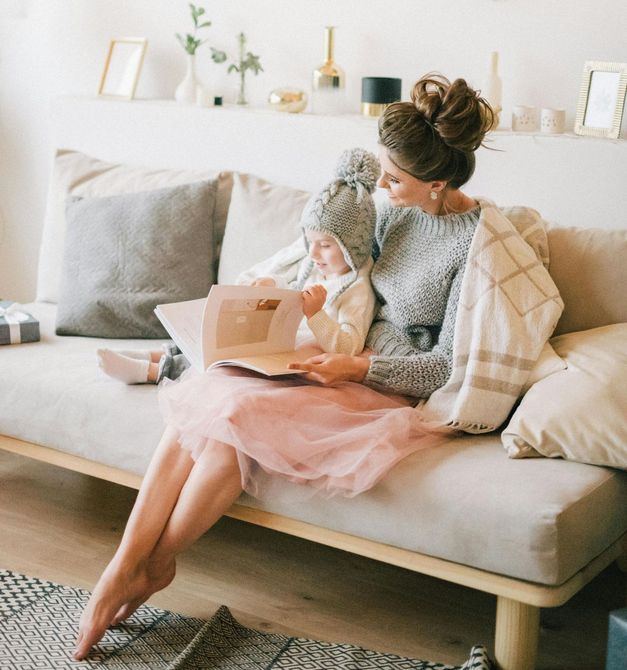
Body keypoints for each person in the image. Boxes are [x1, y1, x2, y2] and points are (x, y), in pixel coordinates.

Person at [74, 73, 497, 659]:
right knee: (214, 394)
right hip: (325, 352)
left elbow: (442, 365)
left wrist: (357, 367)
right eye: (381, 169)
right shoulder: (386, 205)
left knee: (238, 415)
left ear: (439, 183)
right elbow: (326, 260)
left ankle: (155, 563)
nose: (380, 185)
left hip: (377, 380)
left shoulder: (473, 243)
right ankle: (125, 566)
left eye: (394, 179)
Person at [95, 148, 379, 385]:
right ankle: (156, 355)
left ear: (351, 247)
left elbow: (348, 347)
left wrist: (316, 314)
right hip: (280, 340)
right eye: (310, 241)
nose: (313, 251)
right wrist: (274, 287)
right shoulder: (313, 265)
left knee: (232, 367)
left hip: (299, 357)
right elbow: (293, 293)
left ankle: (153, 372)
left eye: (326, 245)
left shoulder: (356, 289)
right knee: (222, 340)